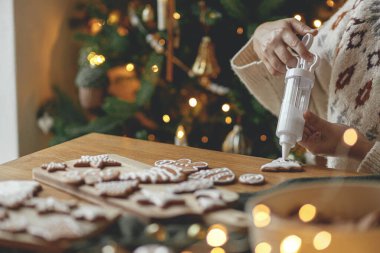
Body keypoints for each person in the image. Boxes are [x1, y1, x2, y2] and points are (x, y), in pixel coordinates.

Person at [231, 0, 379, 173]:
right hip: (327, 186)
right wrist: (262, 36)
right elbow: (315, 85)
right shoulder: (363, 5)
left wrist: (357, 147)